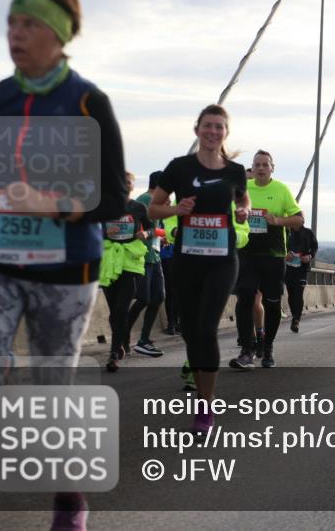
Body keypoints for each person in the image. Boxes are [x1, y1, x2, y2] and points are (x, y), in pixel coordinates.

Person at [0, 0, 128, 530]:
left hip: (65, 265)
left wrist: (53, 205)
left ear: (60, 34)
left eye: (29, 23)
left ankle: (68, 496)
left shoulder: (87, 103)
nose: (15, 33)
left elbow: (114, 197)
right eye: (11, 21)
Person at [148, 103, 250, 434]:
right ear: (197, 130)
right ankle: (200, 386)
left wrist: (243, 211)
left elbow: (243, 199)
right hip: (187, 259)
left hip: (222, 260)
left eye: (219, 127)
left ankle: (206, 407)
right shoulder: (179, 167)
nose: (212, 131)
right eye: (207, 126)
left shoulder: (234, 171)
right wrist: (178, 207)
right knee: (192, 333)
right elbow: (153, 210)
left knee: (206, 328)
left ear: (226, 132)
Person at [228, 150, 302, 368]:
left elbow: (298, 220)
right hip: (247, 253)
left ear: (272, 168)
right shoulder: (242, 190)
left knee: (272, 304)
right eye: (257, 165)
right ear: (252, 168)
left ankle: (267, 346)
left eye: (265, 165)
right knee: (245, 300)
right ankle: (246, 350)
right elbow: (227, 214)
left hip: (273, 255)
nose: (260, 168)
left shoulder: (281, 190)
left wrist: (277, 220)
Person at [100, 172, 152, 371]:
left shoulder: (138, 208)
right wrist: (103, 231)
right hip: (109, 262)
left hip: (130, 262)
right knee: (114, 312)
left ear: (132, 186)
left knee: (122, 309)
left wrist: (145, 233)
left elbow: (151, 227)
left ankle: (114, 353)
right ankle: (121, 342)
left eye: (127, 183)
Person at [125, 170, 168, 357]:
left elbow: (158, 229)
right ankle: (123, 335)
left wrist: (161, 235)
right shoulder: (144, 199)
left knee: (159, 296)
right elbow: (142, 228)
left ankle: (144, 339)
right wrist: (155, 233)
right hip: (142, 256)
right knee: (144, 298)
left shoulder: (157, 202)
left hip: (155, 255)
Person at [284, 220, 318, 333]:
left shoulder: (308, 233)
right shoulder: (286, 231)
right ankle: (294, 315)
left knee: (298, 293)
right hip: (288, 268)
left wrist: (309, 256)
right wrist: (285, 255)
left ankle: (296, 320)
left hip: (302, 268)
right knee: (291, 295)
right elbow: (279, 246)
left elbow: (315, 247)